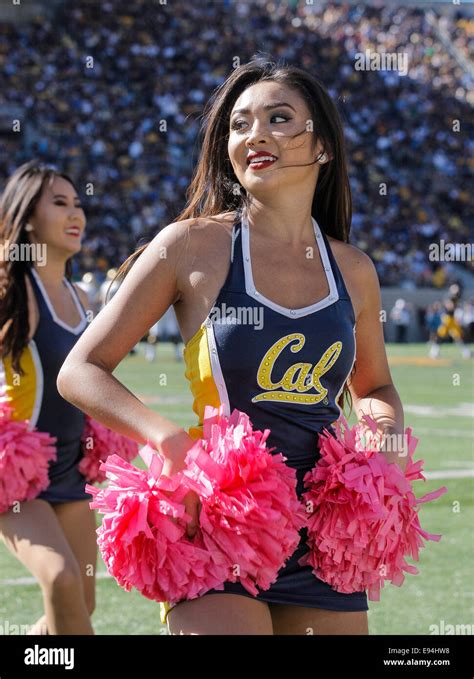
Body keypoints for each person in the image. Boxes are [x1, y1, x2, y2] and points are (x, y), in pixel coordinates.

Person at [57, 57, 406, 635]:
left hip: (325, 533)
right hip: (217, 519)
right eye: (240, 125)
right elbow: (82, 369)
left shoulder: (354, 270)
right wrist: (163, 436)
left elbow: (373, 386)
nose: (256, 135)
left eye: (278, 118)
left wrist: (382, 437)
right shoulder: (191, 247)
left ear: (321, 145)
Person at [0, 161, 96, 634]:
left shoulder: (84, 299)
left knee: (83, 602)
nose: (75, 213)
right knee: (60, 579)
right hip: (18, 476)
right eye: (59, 203)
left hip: (72, 467)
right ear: (28, 218)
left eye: (78, 203)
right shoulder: (11, 291)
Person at [430, 284, 471, 359]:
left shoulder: (456, 297)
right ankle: (434, 351)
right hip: (448, 318)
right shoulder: (450, 297)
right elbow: (449, 306)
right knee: (441, 334)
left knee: (458, 335)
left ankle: (465, 352)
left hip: (452, 318)